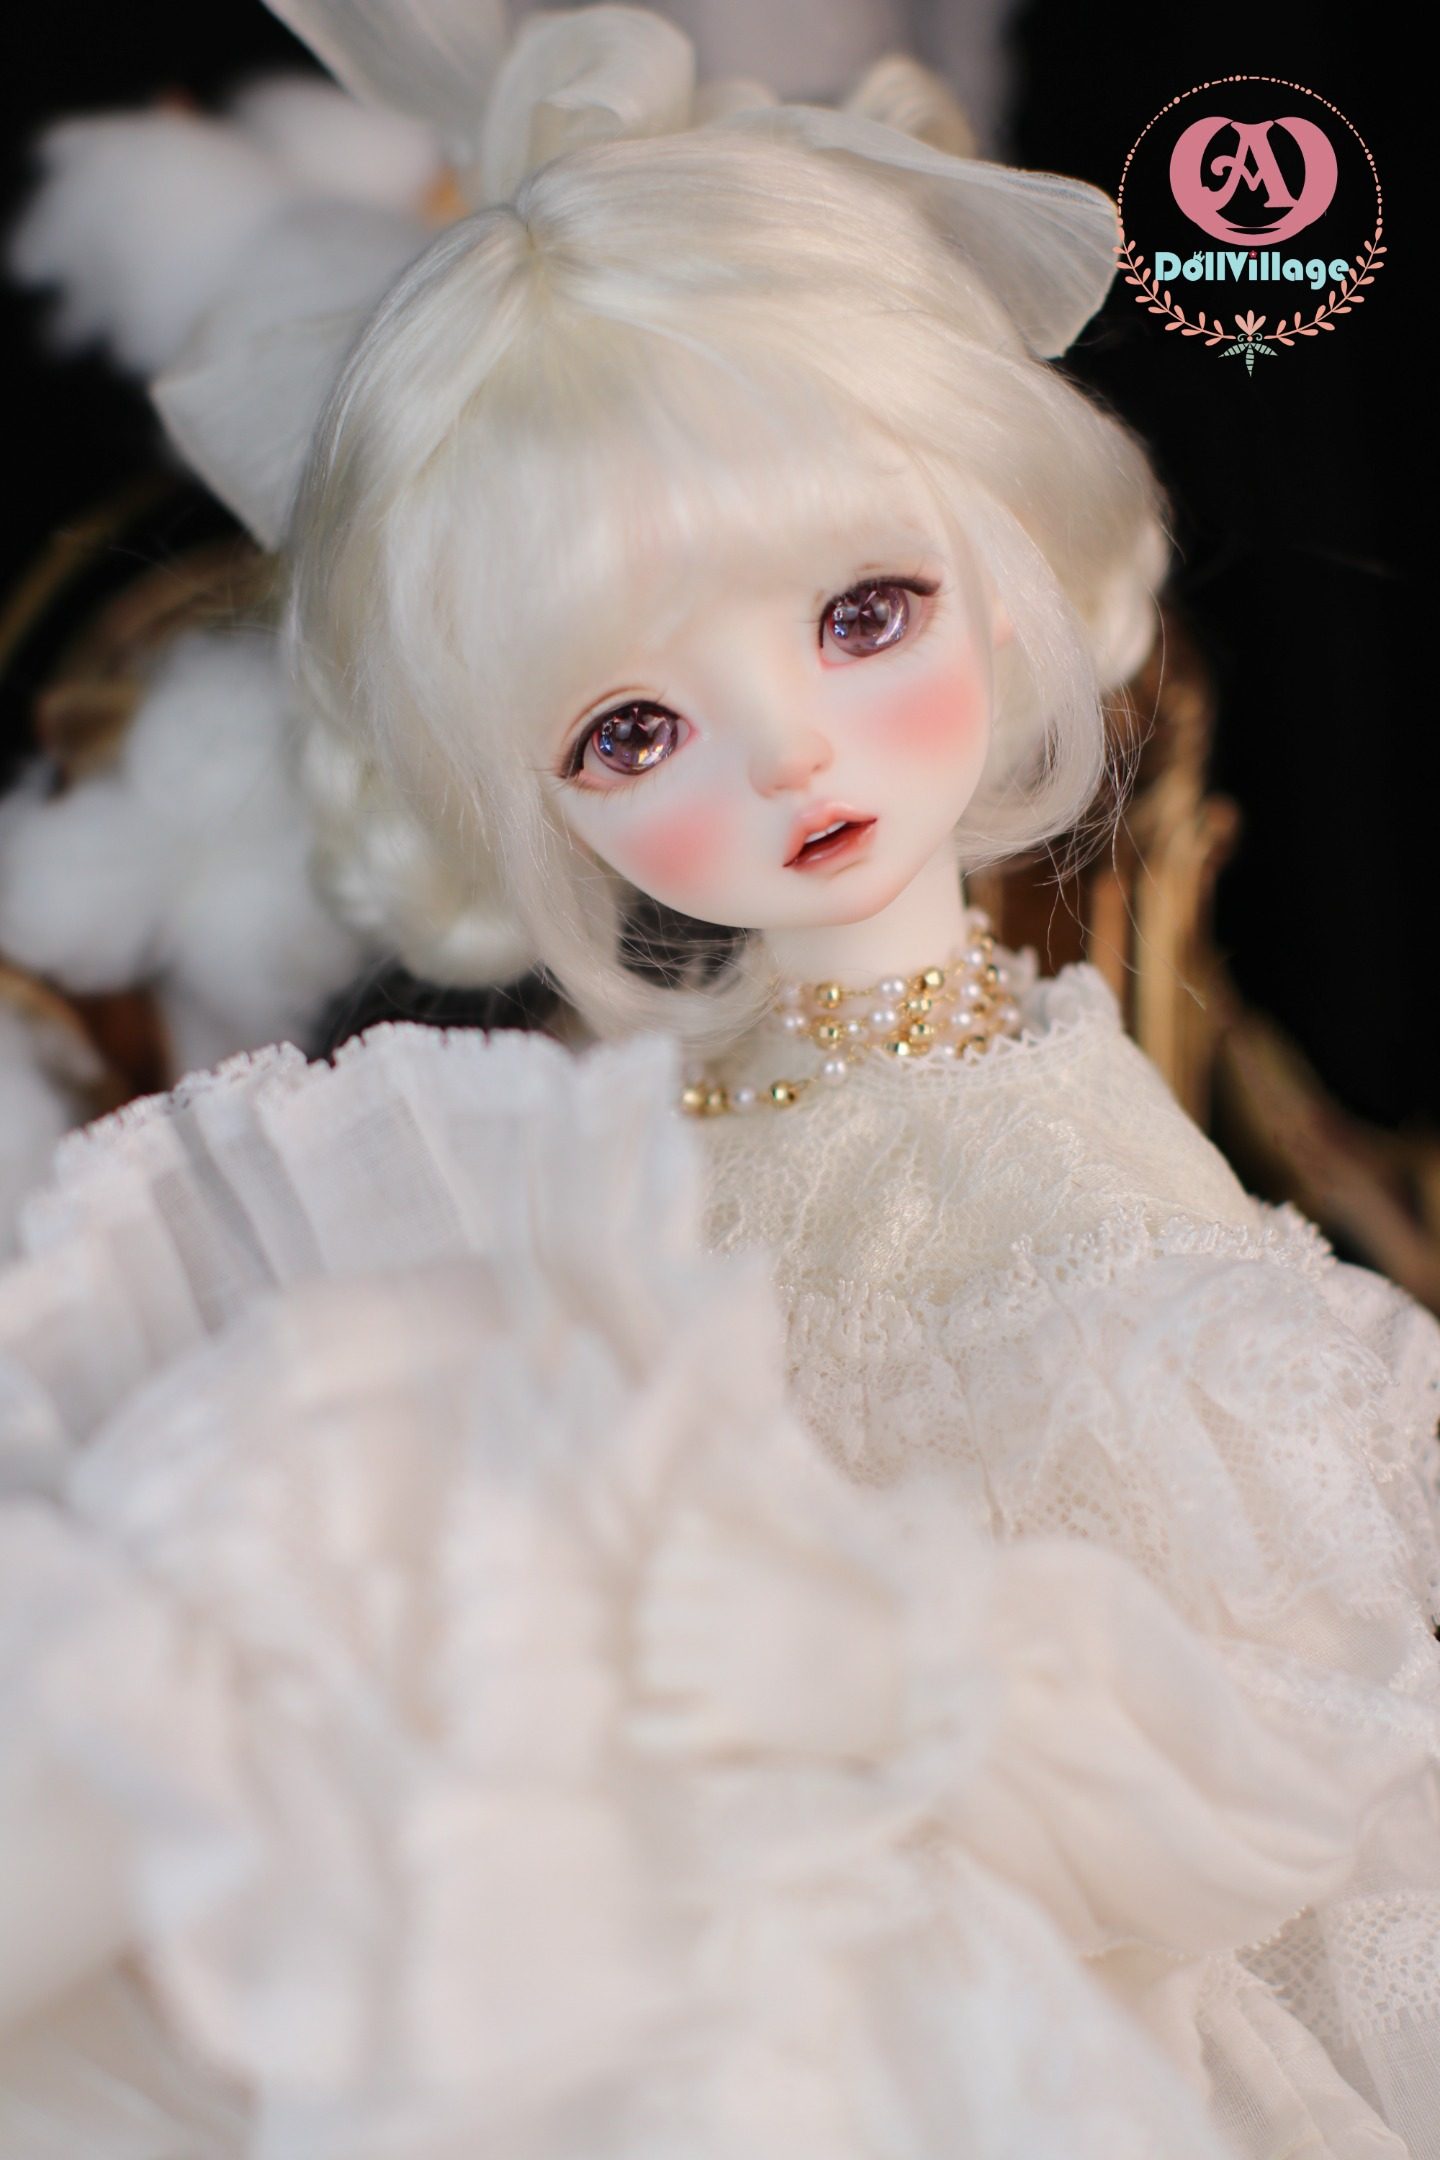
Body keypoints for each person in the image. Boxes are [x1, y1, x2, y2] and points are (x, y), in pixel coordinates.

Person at [0, 7, 1436, 2154]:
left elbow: (1283, 1797)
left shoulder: (1082, 1195)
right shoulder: (581, 1160)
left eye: (866, 613)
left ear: (1001, 561)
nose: (787, 755)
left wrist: (889, 1678)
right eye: (632, 731)